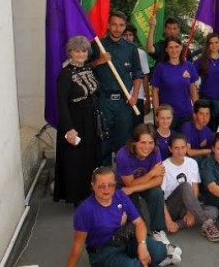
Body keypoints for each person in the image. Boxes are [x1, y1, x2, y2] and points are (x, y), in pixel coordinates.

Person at [67, 167, 168, 267]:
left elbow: (139, 223)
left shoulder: (120, 196)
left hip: (125, 239)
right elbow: (78, 245)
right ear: (93, 186)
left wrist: (142, 245)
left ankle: (140, 261)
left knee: (160, 252)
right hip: (103, 250)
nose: (106, 189)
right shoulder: (85, 210)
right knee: (133, 266)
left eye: (111, 185)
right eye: (101, 186)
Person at [115, 123, 182, 262]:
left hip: (138, 185)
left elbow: (158, 181)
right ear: (134, 142)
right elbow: (128, 183)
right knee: (131, 199)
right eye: (143, 142)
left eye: (150, 142)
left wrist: (135, 186)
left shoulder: (155, 151)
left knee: (156, 192)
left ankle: (158, 230)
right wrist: (151, 173)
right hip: (123, 187)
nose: (147, 147)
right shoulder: (123, 155)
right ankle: (143, 237)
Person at [90, 11, 143, 166]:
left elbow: (138, 73)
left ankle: (122, 179)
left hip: (124, 102)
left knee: (123, 142)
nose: (117, 29)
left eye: (121, 25)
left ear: (124, 26)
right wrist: (99, 61)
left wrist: (134, 97)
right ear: (108, 25)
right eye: (114, 24)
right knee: (103, 142)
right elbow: (87, 68)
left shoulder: (131, 48)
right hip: (104, 101)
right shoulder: (97, 45)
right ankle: (104, 177)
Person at [54, 35, 100, 206]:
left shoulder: (87, 68)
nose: (80, 54)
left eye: (83, 50)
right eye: (76, 51)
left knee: (89, 157)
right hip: (75, 120)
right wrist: (69, 129)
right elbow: (61, 103)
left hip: (89, 119)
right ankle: (77, 197)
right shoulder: (65, 74)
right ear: (70, 52)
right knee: (76, 159)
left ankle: (89, 192)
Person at [161, 134, 219, 242]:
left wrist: (191, 211)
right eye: (176, 148)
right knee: (185, 186)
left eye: (183, 147)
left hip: (188, 205)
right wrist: (168, 220)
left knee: (214, 211)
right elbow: (160, 198)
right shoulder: (164, 166)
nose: (180, 151)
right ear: (170, 149)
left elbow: (195, 188)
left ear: (186, 148)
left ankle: (178, 225)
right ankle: (206, 224)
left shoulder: (192, 163)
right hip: (172, 207)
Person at [151, 36, 199, 132]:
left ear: (181, 48)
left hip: (186, 114)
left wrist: (196, 111)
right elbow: (155, 92)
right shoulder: (161, 68)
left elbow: (193, 90)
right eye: (171, 47)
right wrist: (157, 114)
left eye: (176, 47)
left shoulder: (189, 66)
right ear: (166, 50)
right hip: (166, 116)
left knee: (184, 143)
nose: (174, 50)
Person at [123, 24, 151, 127]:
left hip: (137, 96)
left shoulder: (141, 53)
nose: (128, 37)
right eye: (125, 34)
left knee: (138, 128)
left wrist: (147, 98)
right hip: (122, 97)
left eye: (130, 34)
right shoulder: (116, 53)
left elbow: (144, 77)